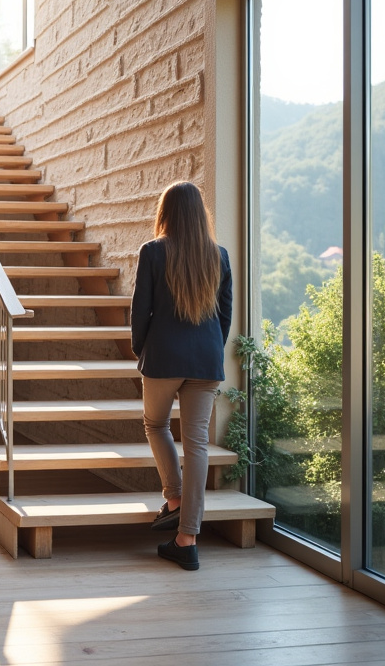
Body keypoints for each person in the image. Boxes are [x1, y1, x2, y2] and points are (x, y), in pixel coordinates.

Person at [130, 181, 232, 571]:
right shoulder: (219, 255)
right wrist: (209, 352)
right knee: (198, 446)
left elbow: (142, 310)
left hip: (164, 359)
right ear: (199, 213)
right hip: (206, 362)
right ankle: (186, 539)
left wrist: (142, 349)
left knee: (155, 424)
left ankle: (173, 499)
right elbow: (224, 316)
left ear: (167, 212)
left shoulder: (153, 251)